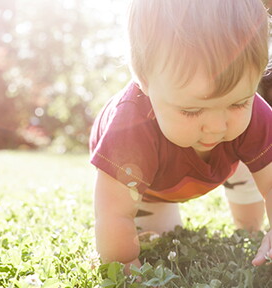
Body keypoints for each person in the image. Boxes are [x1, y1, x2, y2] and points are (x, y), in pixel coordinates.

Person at [90, 0, 272, 273]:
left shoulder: (255, 115)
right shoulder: (129, 128)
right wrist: (123, 264)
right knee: (156, 235)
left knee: (256, 160)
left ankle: (249, 228)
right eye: (191, 110)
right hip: (147, 184)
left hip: (231, 159)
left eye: (237, 103)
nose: (216, 127)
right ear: (144, 80)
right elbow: (113, 211)